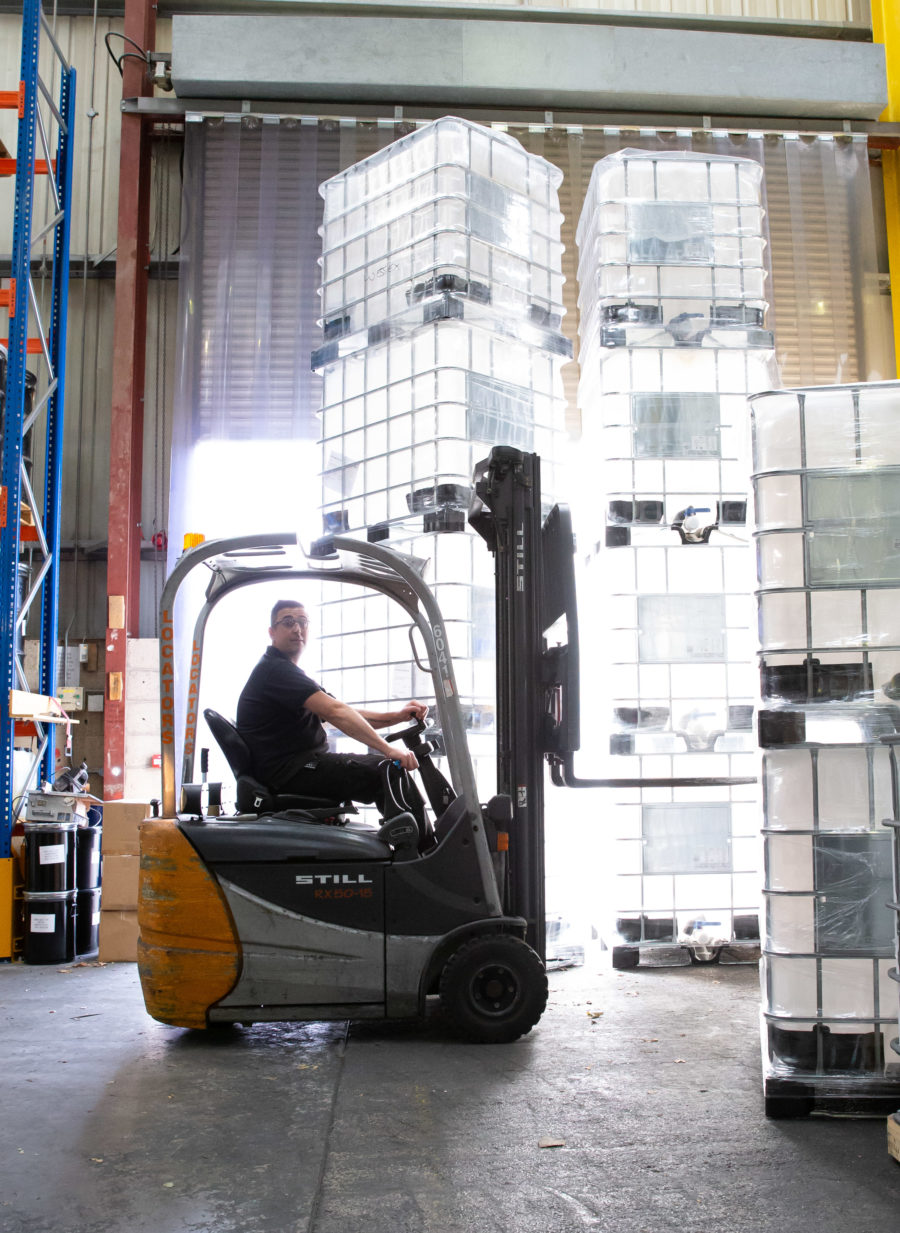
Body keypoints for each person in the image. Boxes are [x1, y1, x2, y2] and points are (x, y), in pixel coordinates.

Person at [236, 599, 430, 831]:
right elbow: (337, 712)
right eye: (288, 622)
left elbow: (343, 711)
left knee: (385, 769)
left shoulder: (286, 672)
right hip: (291, 772)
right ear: (272, 632)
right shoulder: (275, 671)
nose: (297, 628)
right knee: (388, 771)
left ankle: (414, 848)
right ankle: (423, 854)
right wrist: (388, 750)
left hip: (299, 767)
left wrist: (397, 717)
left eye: (302, 622)